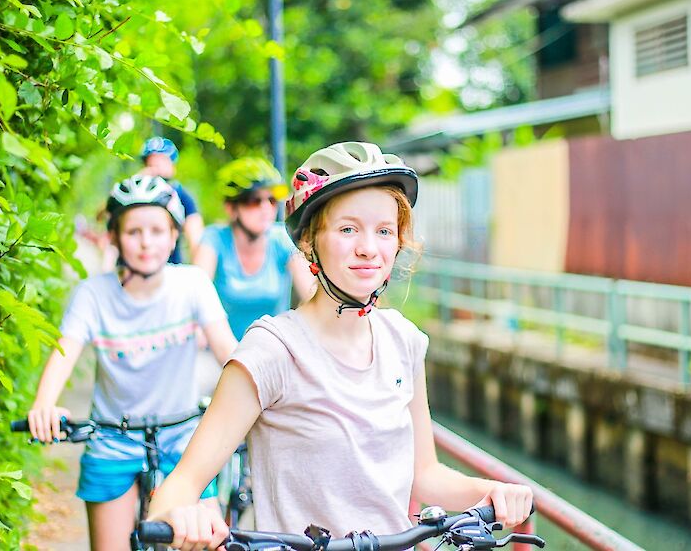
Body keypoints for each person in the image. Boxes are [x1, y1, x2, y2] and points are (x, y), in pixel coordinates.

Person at [149, 142, 533, 549]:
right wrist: (180, 513)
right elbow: (179, 487)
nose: (369, 248)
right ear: (310, 241)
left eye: (384, 231)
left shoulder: (403, 340)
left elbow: (425, 475)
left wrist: (493, 491)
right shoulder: (273, 350)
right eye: (348, 229)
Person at [27, 174, 238, 551]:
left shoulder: (192, 284)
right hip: (112, 438)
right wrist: (44, 404)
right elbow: (64, 352)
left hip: (183, 436)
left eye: (158, 230)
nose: (146, 243)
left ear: (174, 236)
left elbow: (230, 356)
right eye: (133, 231)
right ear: (114, 236)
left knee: (210, 542)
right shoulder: (93, 294)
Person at [194, 156, 316, 340]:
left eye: (272, 200)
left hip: (274, 349)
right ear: (231, 208)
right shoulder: (214, 238)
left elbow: (311, 293)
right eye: (253, 200)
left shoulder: (282, 239)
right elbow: (196, 293)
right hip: (222, 350)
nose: (266, 207)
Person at [138, 136, 205, 263]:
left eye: (162, 161)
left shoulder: (181, 195)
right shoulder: (135, 191)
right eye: (151, 162)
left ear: (172, 166)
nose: (155, 167)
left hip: (170, 267)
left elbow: (195, 236)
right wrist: (136, 180)